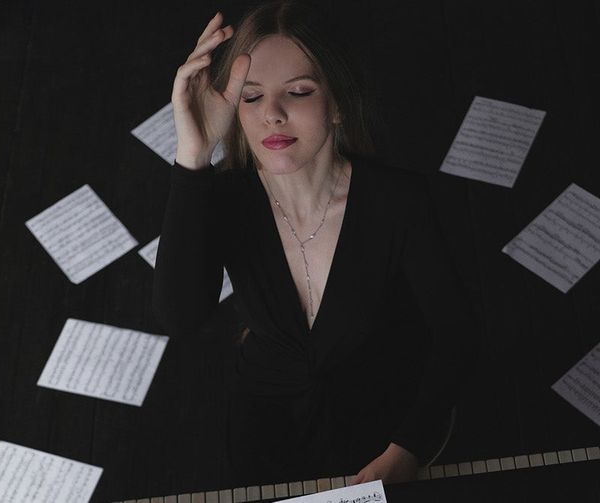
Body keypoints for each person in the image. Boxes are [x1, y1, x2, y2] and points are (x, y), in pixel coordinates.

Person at [152, 0, 481, 487]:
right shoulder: (223, 198)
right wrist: (194, 156)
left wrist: (407, 448)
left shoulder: (398, 200)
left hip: (385, 434)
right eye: (251, 96)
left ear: (338, 104)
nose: (272, 115)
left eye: (299, 91)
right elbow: (180, 317)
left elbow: (456, 333)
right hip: (265, 439)